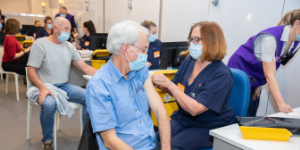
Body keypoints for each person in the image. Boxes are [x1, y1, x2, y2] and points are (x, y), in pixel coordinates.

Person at [86, 20, 171, 150]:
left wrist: (166, 148)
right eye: (143, 50)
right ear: (125, 49)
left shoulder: (140, 72)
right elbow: (109, 140)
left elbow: (160, 112)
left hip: (150, 145)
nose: (145, 55)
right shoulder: (99, 85)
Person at [152, 21, 234, 150]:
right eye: (191, 39)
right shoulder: (190, 60)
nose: (192, 44)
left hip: (208, 126)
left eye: (197, 39)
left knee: (172, 146)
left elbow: (196, 109)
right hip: (183, 119)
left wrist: (169, 85)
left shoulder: (221, 74)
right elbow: (175, 88)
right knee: (154, 139)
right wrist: (157, 84)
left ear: (212, 41)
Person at [27, 17, 97, 149]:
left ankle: (87, 137)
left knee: (89, 96)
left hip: (64, 86)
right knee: (49, 103)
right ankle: (47, 141)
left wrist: (105, 73)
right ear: (55, 28)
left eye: (70, 29)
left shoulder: (69, 47)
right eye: (66, 29)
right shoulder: (40, 44)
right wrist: (42, 87)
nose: (68, 32)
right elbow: (31, 71)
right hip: (45, 85)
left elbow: (85, 68)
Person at [227, 9, 300, 116]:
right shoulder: (270, 38)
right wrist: (281, 104)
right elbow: (270, 74)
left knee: (250, 114)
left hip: (256, 77)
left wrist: (259, 84)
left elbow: (272, 64)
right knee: (236, 114)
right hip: (240, 69)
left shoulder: (294, 40)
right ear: (297, 24)